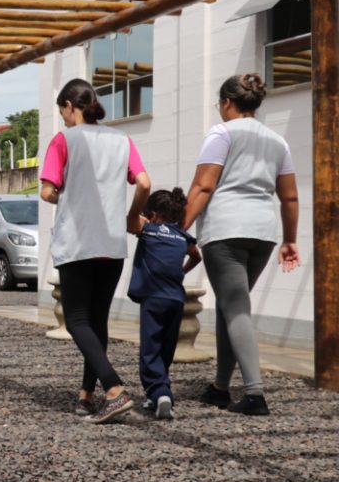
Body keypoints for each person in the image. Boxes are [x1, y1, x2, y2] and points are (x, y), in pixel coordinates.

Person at [182, 74, 301, 416]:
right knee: (228, 305)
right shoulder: (278, 141)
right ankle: (220, 387)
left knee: (235, 307)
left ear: (227, 103)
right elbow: (289, 196)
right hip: (263, 233)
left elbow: (203, 186)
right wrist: (290, 239)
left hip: (226, 229)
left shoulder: (222, 133)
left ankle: (254, 393)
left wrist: (181, 229)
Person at [40, 78, 151, 424]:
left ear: (71, 107)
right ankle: (86, 396)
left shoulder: (64, 140)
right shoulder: (122, 139)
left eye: (63, 112)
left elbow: (46, 192)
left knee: (75, 320)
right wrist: (133, 215)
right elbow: (144, 182)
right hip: (112, 243)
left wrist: (71, 197)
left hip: (79, 241)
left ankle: (114, 390)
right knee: (97, 320)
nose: (63, 119)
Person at [128, 188, 201, 420]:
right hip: (176, 300)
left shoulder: (148, 230)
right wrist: (181, 271)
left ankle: (161, 393)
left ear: (154, 214)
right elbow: (197, 256)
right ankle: (155, 393)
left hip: (153, 299)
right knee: (166, 349)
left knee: (150, 348)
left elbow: (131, 219)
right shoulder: (182, 236)